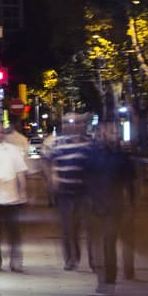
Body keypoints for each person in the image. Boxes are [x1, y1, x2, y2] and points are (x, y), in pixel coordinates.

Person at [84, 123, 136, 295]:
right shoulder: (92, 155)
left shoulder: (121, 157)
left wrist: (130, 204)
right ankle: (103, 279)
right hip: (95, 206)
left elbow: (130, 183)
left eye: (115, 132)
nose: (112, 135)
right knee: (99, 245)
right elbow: (85, 179)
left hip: (113, 207)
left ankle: (109, 281)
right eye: (109, 132)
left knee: (108, 244)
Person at [44, 115, 92, 270]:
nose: (74, 125)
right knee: (67, 226)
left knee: (85, 226)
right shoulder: (57, 143)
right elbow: (46, 161)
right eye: (68, 122)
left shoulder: (89, 143)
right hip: (64, 192)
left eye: (77, 122)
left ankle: (92, 260)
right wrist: (53, 175)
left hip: (84, 191)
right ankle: (70, 258)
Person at [0, 122, 29, 272]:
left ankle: (16, 261)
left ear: (3, 133)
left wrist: (23, 191)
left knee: (14, 231)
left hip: (12, 197)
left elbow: (20, 172)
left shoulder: (13, 150)